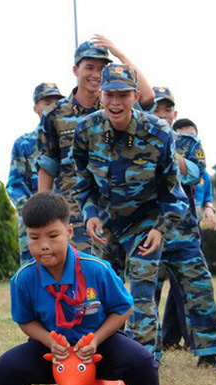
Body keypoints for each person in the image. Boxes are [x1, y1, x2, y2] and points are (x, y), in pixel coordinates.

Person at [0, 192, 186, 385]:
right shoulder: (23, 278)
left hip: (99, 348)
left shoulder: (97, 270)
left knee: (142, 361)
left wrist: (96, 340)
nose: (44, 246)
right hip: (53, 354)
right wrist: (50, 342)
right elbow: (25, 321)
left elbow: (123, 308)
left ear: (69, 232)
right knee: (5, 369)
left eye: (52, 236)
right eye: (34, 238)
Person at [71, 65, 189, 359]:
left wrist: (160, 229)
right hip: (106, 227)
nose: (115, 102)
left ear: (136, 96)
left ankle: (146, 363)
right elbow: (82, 181)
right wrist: (91, 213)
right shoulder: (87, 130)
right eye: (110, 94)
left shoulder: (158, 132)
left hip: (144, 226)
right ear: (100, 95)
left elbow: (174, 193)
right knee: (102, 298)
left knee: (141, 296)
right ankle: (108, 358)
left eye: (123, 94)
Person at [37, 36, 154, 254]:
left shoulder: (116, 107)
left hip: (115, 209)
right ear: (75, 69)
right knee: (77, 274)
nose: (96, 74)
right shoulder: (54, 114)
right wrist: (42, 217)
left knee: (108, 277)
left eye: (102, 68)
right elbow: (48, 166)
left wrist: (120, 54)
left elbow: (147, 98)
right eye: (89, 67)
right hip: (72, 212)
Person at [149, 88, 216, 366]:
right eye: (156, 110)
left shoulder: (189, 143)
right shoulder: (135, 142)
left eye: (167, 110)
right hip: (148, 232)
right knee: (145, 298)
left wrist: (168, 146)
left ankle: (208, 351)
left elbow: (195, 174)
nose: (162, 115)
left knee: (199, 291)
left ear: (175, 114)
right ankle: (148, 355)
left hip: (184, 233)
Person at [7, 83, 64, 264]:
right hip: (33, 222)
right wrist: (35, 212)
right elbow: (15, 185)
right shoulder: (24, 144)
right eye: (47, 102)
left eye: (57, 102)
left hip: (66, 220)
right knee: (33, 274)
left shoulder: (70, 140)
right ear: (36, 108)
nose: (52, 107)